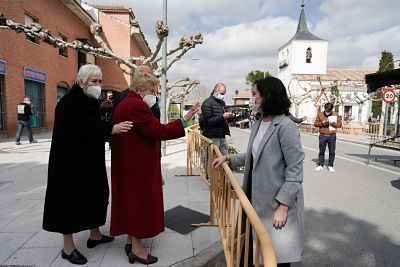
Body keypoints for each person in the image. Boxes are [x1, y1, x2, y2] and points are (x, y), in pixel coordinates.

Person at [42, 64, 133, 265]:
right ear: (82, 82)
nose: (98, 85)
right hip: (69, 164)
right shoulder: (69, 102)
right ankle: (68, 247)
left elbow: (95, 127)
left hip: (90, 161)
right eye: (94, 81)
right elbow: (84, 126)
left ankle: (95, 235)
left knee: (97, 195)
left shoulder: (91, 100)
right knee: (69, 202)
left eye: (100, 81)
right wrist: (112, 128)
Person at [213, 76, 305, 266]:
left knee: (276, 257)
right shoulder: (260, 122)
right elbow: (255, 153)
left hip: (275, 204)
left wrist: (284, 206)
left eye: (255, 94)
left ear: (268, 96)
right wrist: (229, 158)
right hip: (254, 199)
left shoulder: (286, 127)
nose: (253, 98)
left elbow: (295, 169)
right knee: (251, 251)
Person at [110, 73, 200, 265]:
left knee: (131, 204)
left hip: (130, 162)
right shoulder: (136, 105)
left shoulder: (128, 102)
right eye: (152, 91)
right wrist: (185, 120)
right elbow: (159, 131)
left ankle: (131, 242)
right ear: (140, 89)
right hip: (137, 165)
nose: (154, 94)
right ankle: (137, 248)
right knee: (138, 206)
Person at [200, 83, 233, 155]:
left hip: (222, 135)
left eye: (224, 94)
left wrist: (230, 117)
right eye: (222, 93)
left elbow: (223, 119)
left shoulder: (222, 103)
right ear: (215, 90)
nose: (223, 96)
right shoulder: (207, 103)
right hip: (212, 136)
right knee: (212, 159)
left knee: (225, 159)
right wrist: (222, 117)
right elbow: (207, 122)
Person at [314, 102, 342, 172]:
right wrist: (322, 123)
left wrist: (333, 123)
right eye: (326, 110)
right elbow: (315, 124)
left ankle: (330, 165)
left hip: (332, 136)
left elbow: (340, 124)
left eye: (329, 111)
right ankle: (320, 165)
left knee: (332, 152)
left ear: (331, 110)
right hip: (322, 135)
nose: (327, 112)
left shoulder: (335, 114)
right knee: (321, 151)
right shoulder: (320, 114)